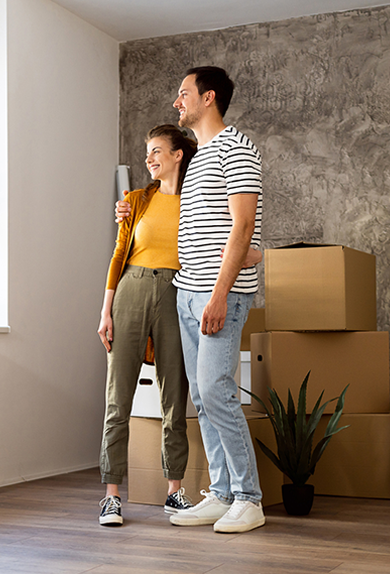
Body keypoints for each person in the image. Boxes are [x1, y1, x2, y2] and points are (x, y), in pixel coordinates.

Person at [164, 66, 265, 533]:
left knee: (218, 392)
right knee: (203, 397)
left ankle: (249, 498)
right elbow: (216, 231)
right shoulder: (199, 157)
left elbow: (242, 226)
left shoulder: (237, 148)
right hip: (188, 292)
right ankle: (223, 492)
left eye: (183, 94)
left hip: (217, 296)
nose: (176, 102)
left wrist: (220, 295)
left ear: (208, 98)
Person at [97, 124, 198, 527]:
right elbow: (119, 254)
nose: (149, 159)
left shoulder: (197, 202)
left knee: (175, 398)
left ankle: (175, 493)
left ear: (178, 155)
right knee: (117, 399)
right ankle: (111, 496)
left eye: (157, 151)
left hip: (177, 294)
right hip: (132, 289)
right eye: (146, 153)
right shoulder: (136, 200)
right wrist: (105, 312)